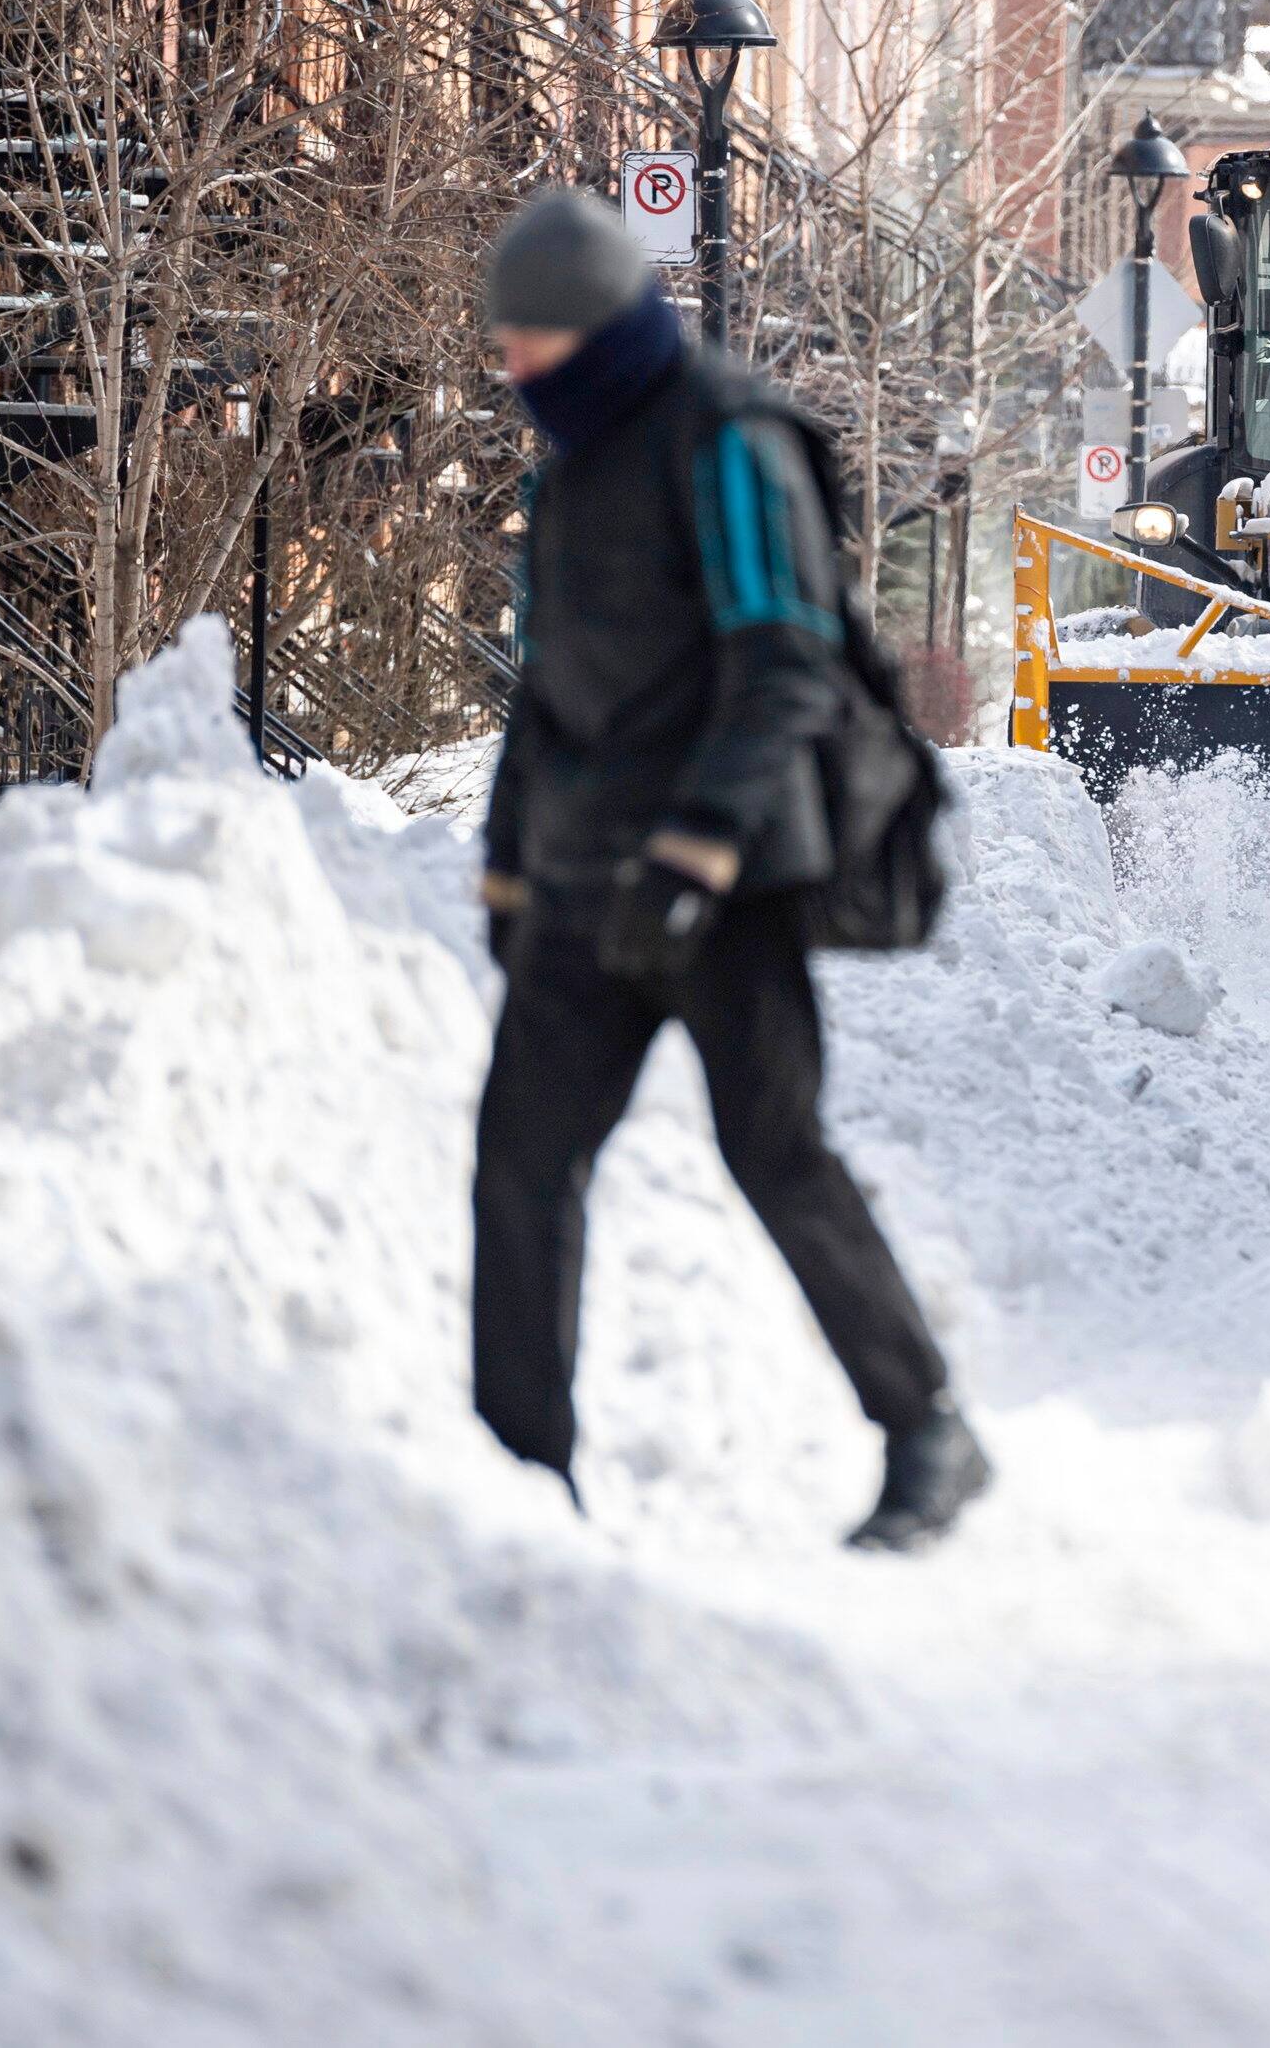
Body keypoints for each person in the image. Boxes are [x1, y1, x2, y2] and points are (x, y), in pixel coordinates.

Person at [469, 187, 988, 1553]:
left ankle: (927, 1428)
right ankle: (520, 1477)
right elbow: (547, 690)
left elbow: (785, 662)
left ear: (590, 328)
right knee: (521, 1160)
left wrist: (698, 847)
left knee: (775, 1150)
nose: (509, 364)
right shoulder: (572, 465)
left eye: (527, 338)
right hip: (587, 875)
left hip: (726, 880)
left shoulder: (729, 437)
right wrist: (511, 862)